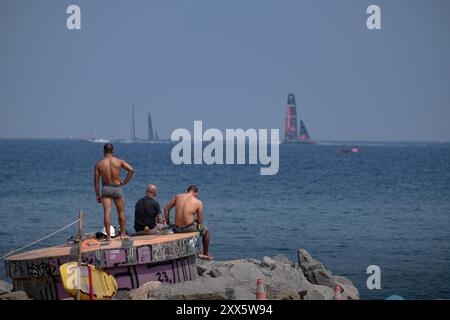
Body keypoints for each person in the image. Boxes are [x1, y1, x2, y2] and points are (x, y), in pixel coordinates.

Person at [94, 143, 134, 240]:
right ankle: (123, 234)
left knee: (107, 212)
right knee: (121, 212)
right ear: (112, 151)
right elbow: (131, 170)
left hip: (106, 188)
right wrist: (125, 182)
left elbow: (96, 181)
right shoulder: (119, 161)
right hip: (117, 187)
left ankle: (108, 236)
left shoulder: (99, 164)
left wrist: (97, 195)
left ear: (103, 151)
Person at [164, 185, 213, 260]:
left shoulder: (178, 196)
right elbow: (200, 221)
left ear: (187, 191)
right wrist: (195, 220)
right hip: (189, 228)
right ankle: (205, 253)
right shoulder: (198, 202)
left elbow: (166, 209)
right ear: (196, 193)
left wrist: (168, 223)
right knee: (206, 230)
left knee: (197, 225)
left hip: (176, 228)